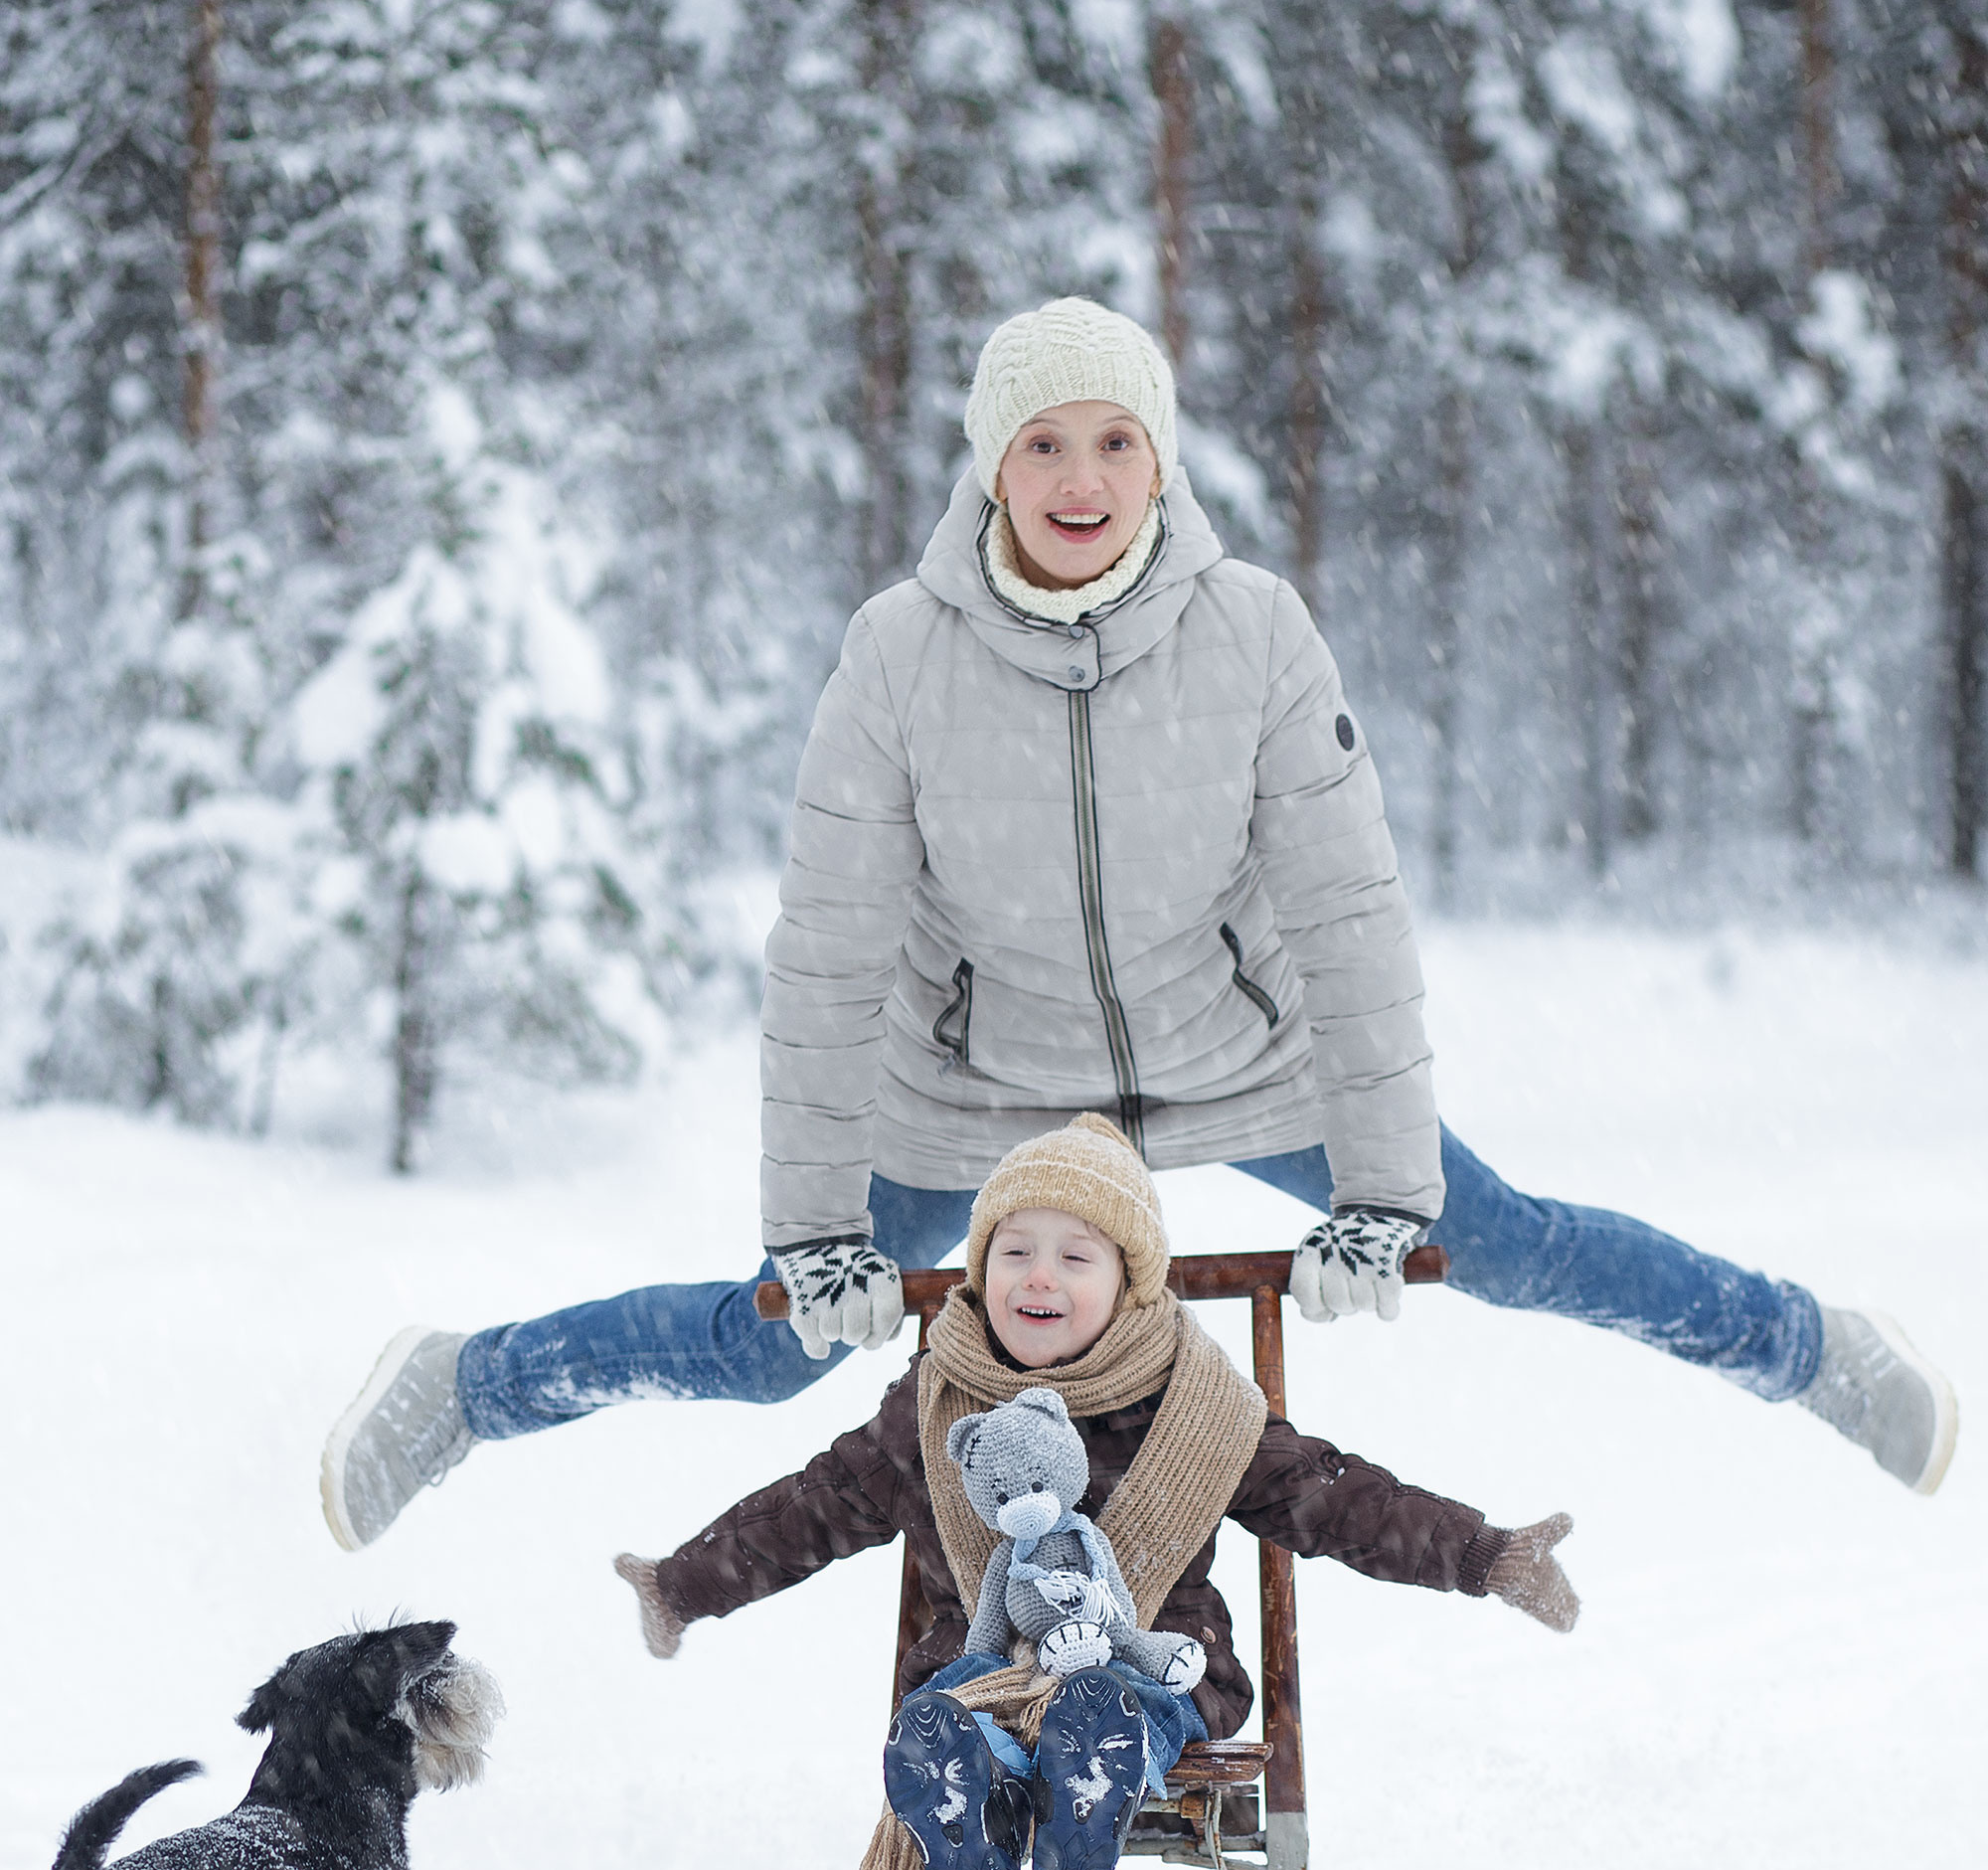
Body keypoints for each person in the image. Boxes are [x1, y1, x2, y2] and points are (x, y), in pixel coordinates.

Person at [318, 298, 1957, 1555]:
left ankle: (1808, 1352)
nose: (1080, 479)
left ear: (1160, 461)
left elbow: (1350, 919)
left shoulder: (1251, 635)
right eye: (1043, 445)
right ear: (990, 466)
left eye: (1115, 443)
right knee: (774, 1347)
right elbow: (826, 955)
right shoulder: (900, 657)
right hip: (971, 1089)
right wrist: (821, 1226)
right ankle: (465, 1386)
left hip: (1241, 1060)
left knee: (1498, 1237)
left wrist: (1385, 1190)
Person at [609, 1115, 1580, 1870]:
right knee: (941, 1719)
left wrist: (1484, 1554)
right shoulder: (938, 1401)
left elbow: (1337, 1499)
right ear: (979, 1267)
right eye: (1012, 1251)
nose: (1039, 1277)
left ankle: (1089, 1770)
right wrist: (683, 1584)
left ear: (1129, 1283)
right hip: (978, 1671)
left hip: (1154, 1662)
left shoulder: (1194, 1404)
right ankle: (967, 1817)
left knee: (1111, 1706)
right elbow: (814, 1505)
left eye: (1075, 1256)